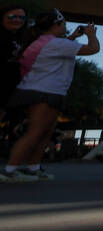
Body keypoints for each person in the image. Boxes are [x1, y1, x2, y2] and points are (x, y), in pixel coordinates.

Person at [1, 11, 98, 182]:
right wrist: (91, 35)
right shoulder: (56, 44)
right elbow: (93, 49)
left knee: (45, 132)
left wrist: (73, 37)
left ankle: (33, 168)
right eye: (64, 24)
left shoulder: (46, 42)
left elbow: (59, 48)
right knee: (35, 132)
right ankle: (9, 170)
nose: (65, 27)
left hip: (45, 90)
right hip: (44, 91)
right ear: (56, 25)